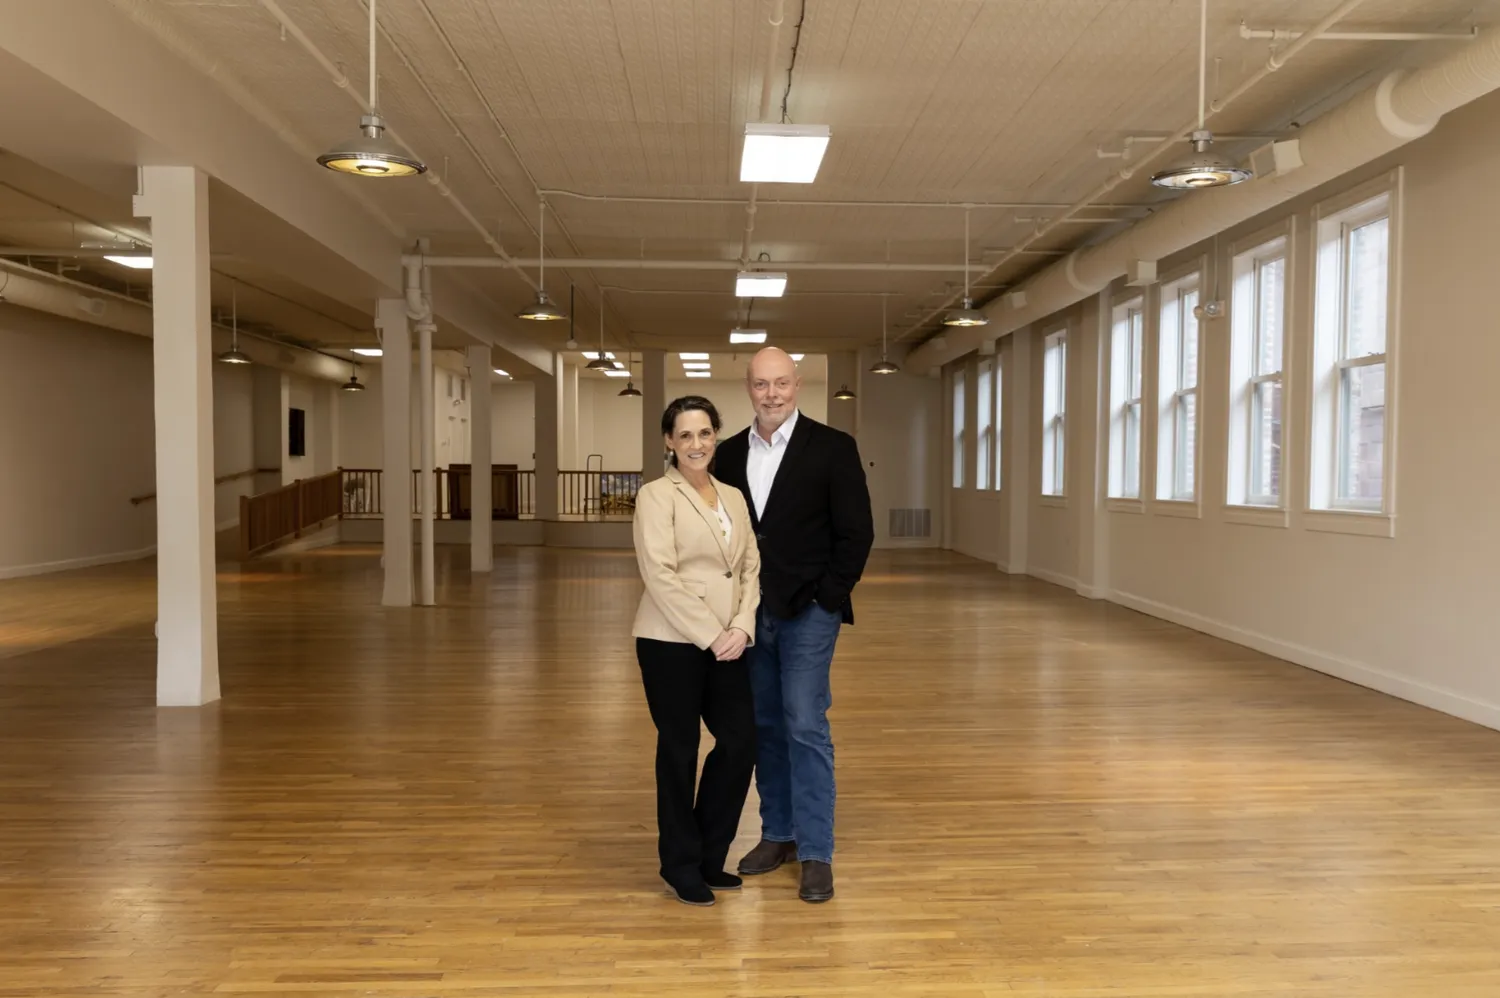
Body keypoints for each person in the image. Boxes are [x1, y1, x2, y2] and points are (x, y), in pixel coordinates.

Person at [712, 348, 874, 903]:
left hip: (808, 611)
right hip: (749, 616)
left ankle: (815, 850)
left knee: (804, 722)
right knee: (765, 725)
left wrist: (827, 599)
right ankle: (776, 833)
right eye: (761, 385)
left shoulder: (832, 448)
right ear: (748, 388)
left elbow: (857, 534)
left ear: (798, 385)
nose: (772, 394)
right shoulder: (728, 455)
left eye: (781, 383)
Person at [631, 395, 761, 907]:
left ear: (716, 436)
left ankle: (711, 855)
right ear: (669, 442)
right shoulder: (656, 497)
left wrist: (743, 627)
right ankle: (681, 865)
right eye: (684, 435)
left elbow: (750, 566)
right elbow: (659, 576)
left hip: (730, 640)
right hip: (671, 642)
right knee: (680, 751)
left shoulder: (733, 496)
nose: (696, 444)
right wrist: (712, 635)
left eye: (704, 433)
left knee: (739, 742)